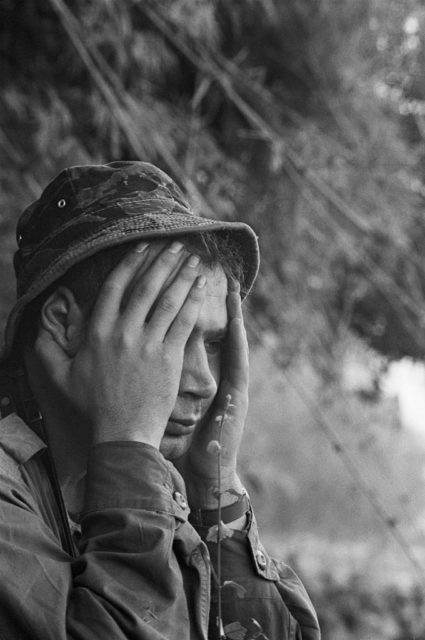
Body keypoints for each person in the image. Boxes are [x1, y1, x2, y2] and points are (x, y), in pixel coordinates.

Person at [0, 161, 320, 640]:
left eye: (211, 344)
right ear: (65, 323)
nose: (205, 382)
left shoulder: (161, 492)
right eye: (166, 335)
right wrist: (128, 444)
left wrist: (215, 492)